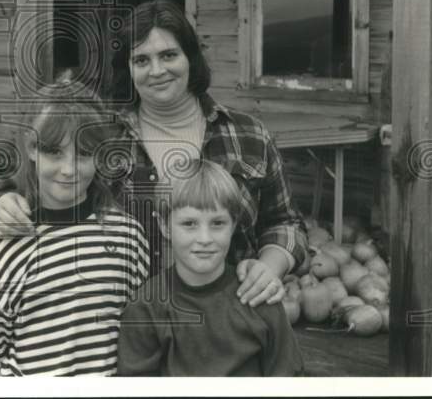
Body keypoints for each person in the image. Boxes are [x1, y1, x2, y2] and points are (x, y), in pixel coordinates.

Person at [0, 0, 307, 307]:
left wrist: (270, 265)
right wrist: (10, 205)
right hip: (128, 329)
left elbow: (285, 222)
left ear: (190, 58)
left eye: (169, 55)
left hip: (229, 323)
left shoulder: (249, 135)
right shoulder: (101, 139)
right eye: (141, 60)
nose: (156, 70)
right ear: (127, 69)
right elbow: (55, 200)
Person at [0, 80, 150, 376]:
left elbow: (141, 334)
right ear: (31, 148)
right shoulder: (4, 250)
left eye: (82, 153)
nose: (69, 169)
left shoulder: (127, 236)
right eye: (54, 152)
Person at [116, 159, 304, 376]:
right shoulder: (145, 309)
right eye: (189, 224)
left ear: (233, 225)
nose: (204, 239)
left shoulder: (259, 298)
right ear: (165, 226)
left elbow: (289, 379)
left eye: (217, 223)